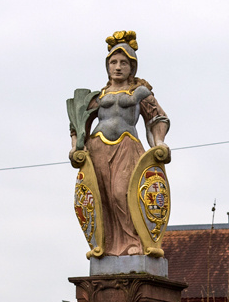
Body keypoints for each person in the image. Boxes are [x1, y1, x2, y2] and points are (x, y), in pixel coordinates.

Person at [72, 31, 170, 258]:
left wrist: (159, 143)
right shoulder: (99, 95)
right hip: (98, 148)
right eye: (113, 62)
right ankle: (106, 246)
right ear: (107, 66)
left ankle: (134, 242)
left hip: (127, 147)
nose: (118, 67)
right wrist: (76, 145)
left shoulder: (140, 92)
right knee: (102, 197)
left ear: (132, 67)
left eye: (123, 63)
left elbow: (158, 118)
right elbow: (79, 123)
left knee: (122, 193)